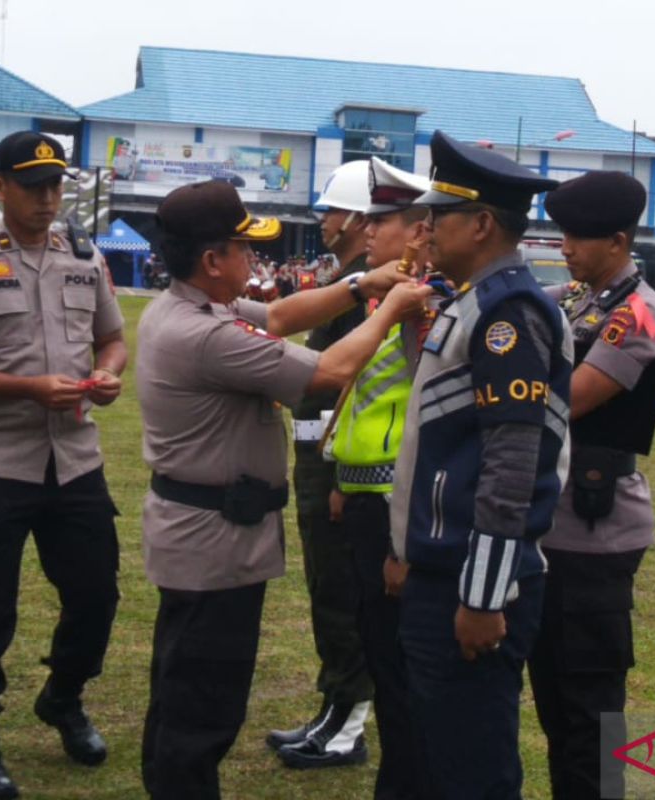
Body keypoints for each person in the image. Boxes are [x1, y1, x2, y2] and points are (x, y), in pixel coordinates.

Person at [136, 180, 431, 799]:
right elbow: (331, 371)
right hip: (212, 545)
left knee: (183, 689)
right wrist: (391, 307)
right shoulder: (205, 334)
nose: (254, 260)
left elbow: (277, 315)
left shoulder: (194, 308)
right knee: (203, 705)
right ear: (213, 261)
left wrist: (360, 286)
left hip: (207, 537)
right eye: (244, 249)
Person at [0, 131, 127, 800]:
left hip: (74, 459)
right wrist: (30, 388)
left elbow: (113, 338)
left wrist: (106, 373)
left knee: (97, 595)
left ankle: (63, 697)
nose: (46, 197)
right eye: (31, 183)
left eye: (55, 184)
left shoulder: (83, 256)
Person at [390, 130, 571, 799]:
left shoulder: (509, 314)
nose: (426, 226)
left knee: (474, 767)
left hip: (475, 581)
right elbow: (438, 431)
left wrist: (484, 595)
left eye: (440, 214)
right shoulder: (470, 301)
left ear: (484, 223)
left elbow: (510, 464)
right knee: (443, 752)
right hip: (443, 566)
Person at [530, 172, 655, 800]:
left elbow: (572, 398)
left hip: (596, 533)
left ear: (617, 240)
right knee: (557, 705)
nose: (564, 247)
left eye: (577, 238)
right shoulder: (580, 298)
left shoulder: (635, 313)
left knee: (590, 711)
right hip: (555, 525)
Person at [325, 157, 445, 796]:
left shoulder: (429, 300)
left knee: (400, 665)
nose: (367, 233)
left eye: (384, 221)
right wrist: (342, 477)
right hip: (365, 490)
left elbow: (428, 408)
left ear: (421, 230)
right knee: (378, 646)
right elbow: (364, 388)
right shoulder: (385, 291)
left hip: (398, 502)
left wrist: (401, 539)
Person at [266, 160, 376, 768]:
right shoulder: (349, 279)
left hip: (334, 463)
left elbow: (351, 384)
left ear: (359, 220)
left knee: (341, 593)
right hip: (317, 456)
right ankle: (335, 707)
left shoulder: (363, 288)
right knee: (326, 589)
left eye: (333, 211)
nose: (326, 221)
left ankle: (348, 722)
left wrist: (334, 472)